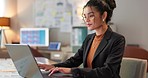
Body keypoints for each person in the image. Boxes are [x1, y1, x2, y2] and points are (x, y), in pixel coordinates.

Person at [38, 0, 126, 78]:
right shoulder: (89, 38)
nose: (86, 20)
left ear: (103, 16)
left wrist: (72, 71)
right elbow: (74, 61)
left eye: (90, 16)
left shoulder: (117, 40)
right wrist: (53, 66)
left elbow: (108, 72)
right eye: (84, 16)